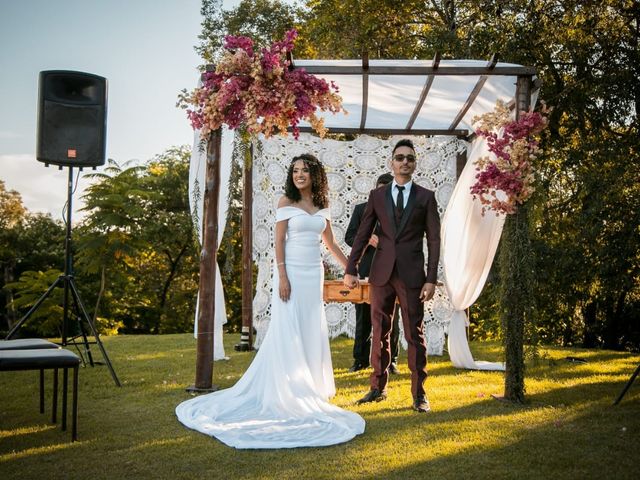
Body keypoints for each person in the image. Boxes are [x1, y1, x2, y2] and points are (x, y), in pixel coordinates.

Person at [176, 154, 365, 449]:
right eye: (295, 171)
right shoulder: (284, 203)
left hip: (313, 275)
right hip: (291, 273)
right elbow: (278, 242)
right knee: (288, 330)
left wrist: (350, 269)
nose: (299, 175)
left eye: (304, 170)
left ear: (315, 175)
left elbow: (331, 244)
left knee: (308, 328)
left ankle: (310, 386)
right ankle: (287, 390)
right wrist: (283, 277)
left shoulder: (321, 206)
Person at [343, 139, 441, 413]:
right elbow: (363, 234)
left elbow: (434, 240)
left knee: (414, 334)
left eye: (410, 158)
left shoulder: (426, 197)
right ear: (392, 162)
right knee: (379, 332)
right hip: (380, 274)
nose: (405, 162)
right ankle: (377, 387)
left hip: (412, 275)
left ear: (414, 163)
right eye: (400, 157)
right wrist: (351, 268)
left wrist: (431, 278)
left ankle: (419, 394)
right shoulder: (377, 197)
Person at [345, 173, 400, 374]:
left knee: (393, 319)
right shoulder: (361, 210)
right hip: (366, 271)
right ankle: (360, 360)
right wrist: (368, 238)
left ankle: (391, 361)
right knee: (363, 319)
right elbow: (349, 237)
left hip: (394, 272)